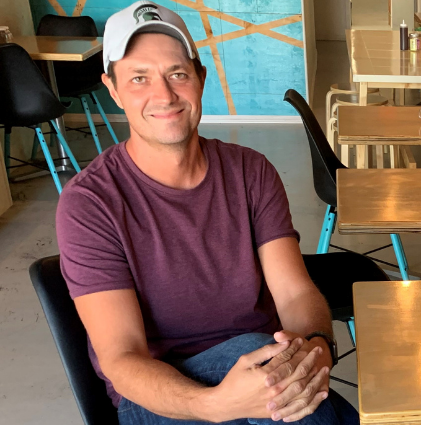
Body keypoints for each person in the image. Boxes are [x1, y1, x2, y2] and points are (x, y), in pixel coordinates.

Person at [54, 2, 360, 424]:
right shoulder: (90, 203)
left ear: (200, 77)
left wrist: (318, 345)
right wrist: (214, 405)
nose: (164, 95)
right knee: (265, 365)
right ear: (114, 89)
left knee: (272, 371)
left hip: (263, 369)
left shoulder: (250, 171)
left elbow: (294, 293)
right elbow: (122, 359)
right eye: (139, 78)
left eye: (177, 74)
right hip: (162, 396)